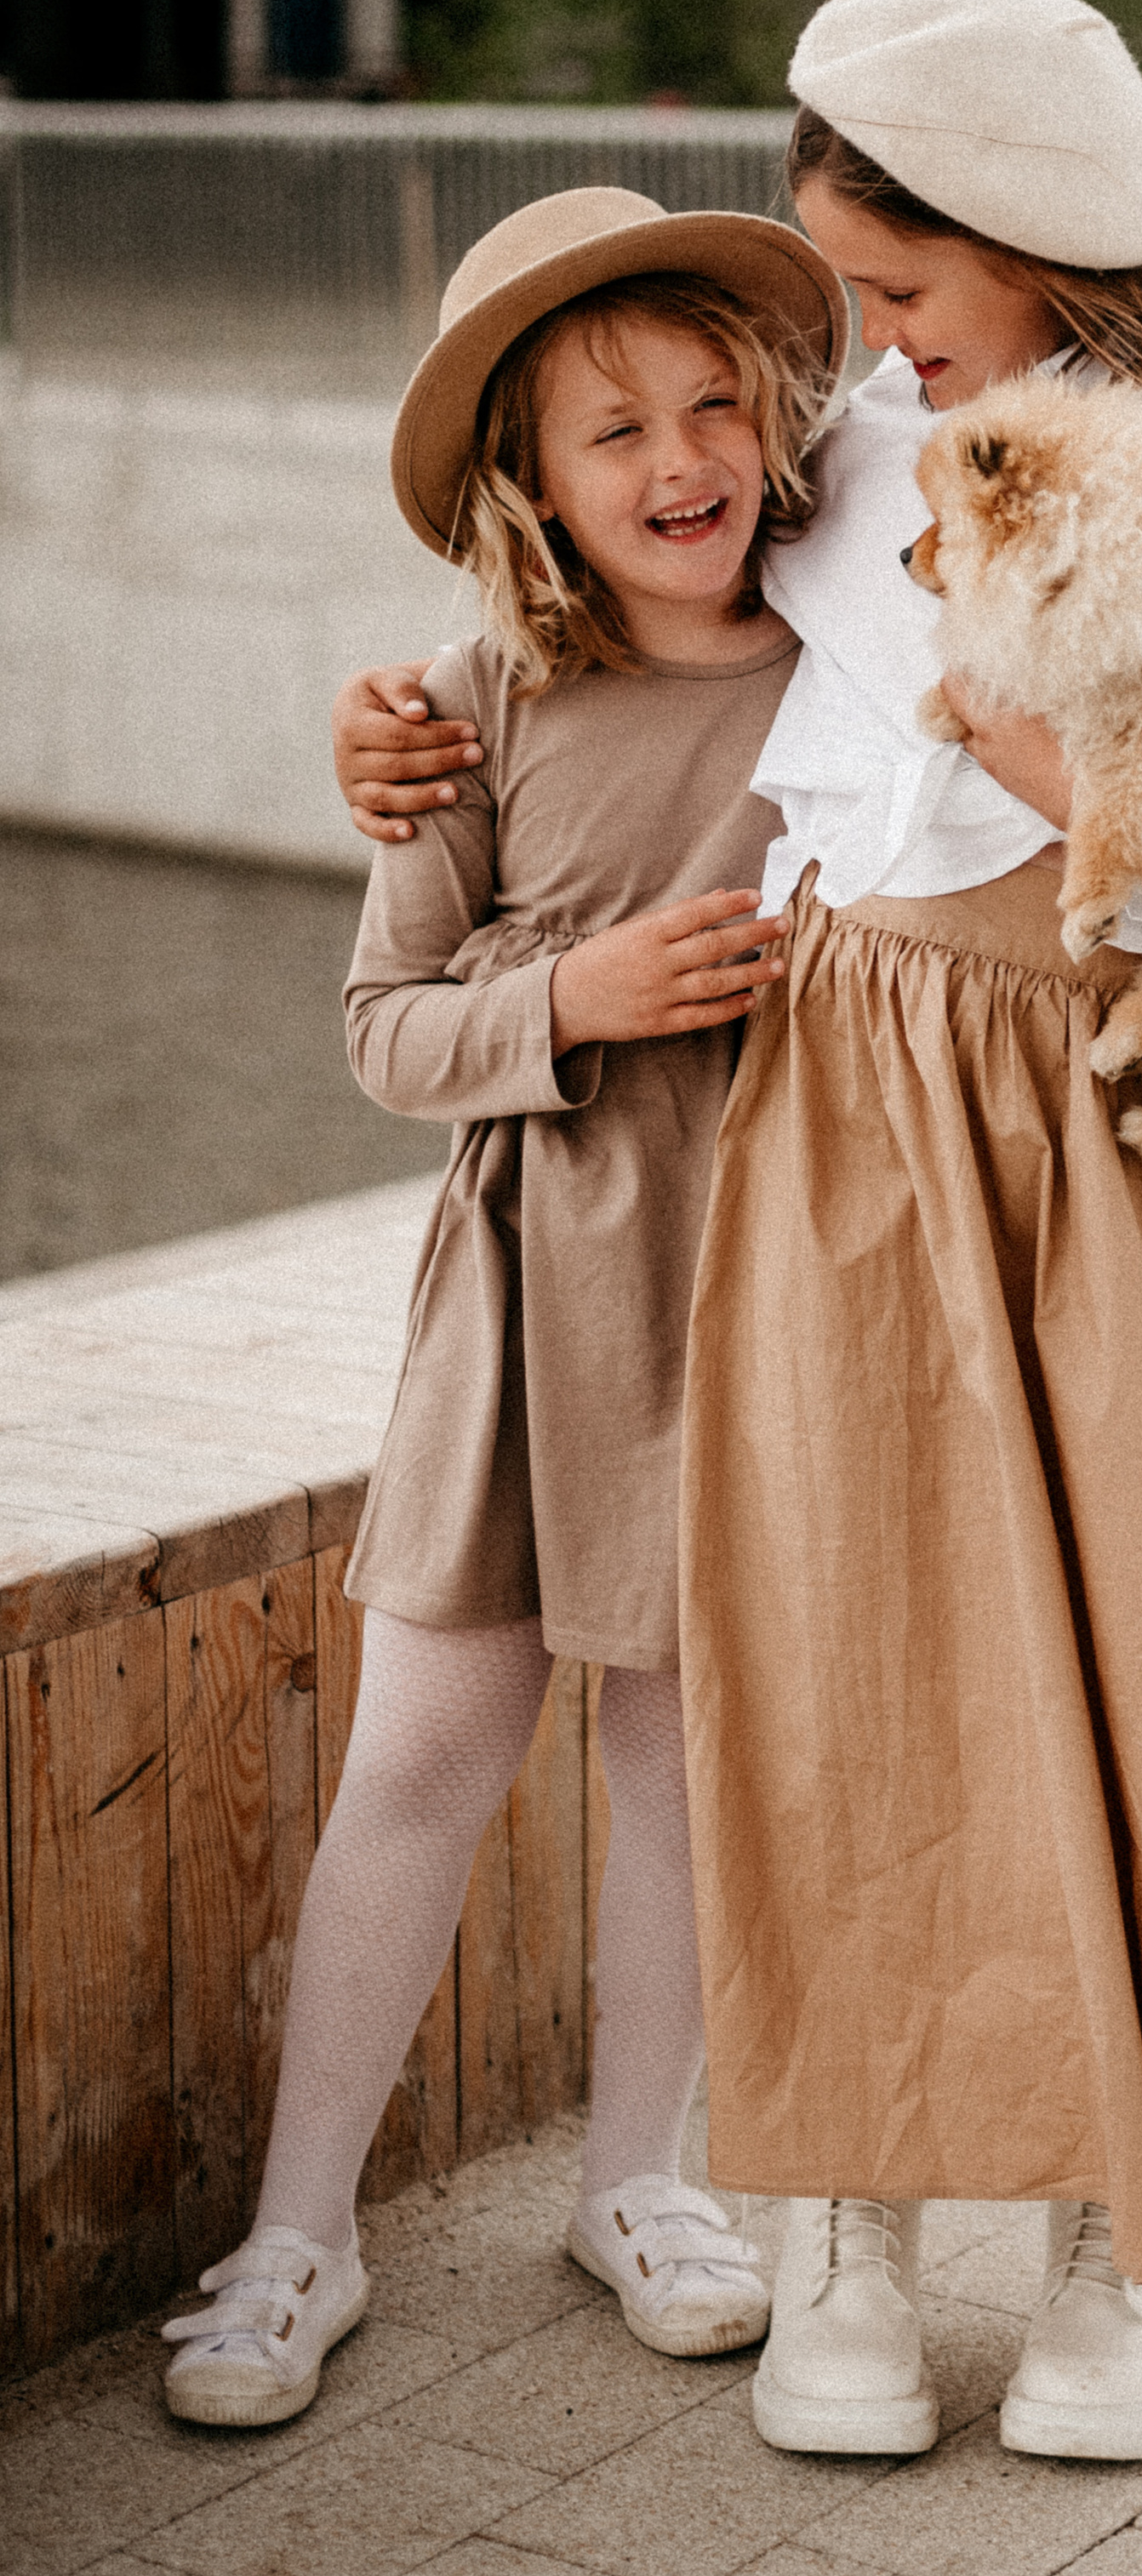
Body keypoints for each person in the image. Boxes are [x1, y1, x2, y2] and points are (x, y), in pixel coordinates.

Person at [333, 0, 1142, 2470]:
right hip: (856, 1094)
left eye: (899, 282)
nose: (864, 340)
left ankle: (1128, 2246)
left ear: (1032, 230)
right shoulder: (855, 434)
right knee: (848, 1669)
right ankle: (848, 2225)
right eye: (849, 292)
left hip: (1141, 1105)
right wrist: (401, 725)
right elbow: (616, 584)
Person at [163, 187, 847, 2428]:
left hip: (754, 1285)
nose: (682, 459)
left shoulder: (857, 662)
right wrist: (579, 994)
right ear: (530, 483)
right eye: (613, 430)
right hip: (538, 1290)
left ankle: (637, 2181)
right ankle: (300, 2232)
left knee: (681, 1761)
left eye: (713, 404)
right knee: (426, 1753)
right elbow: (384, 1030)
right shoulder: (465, 709)